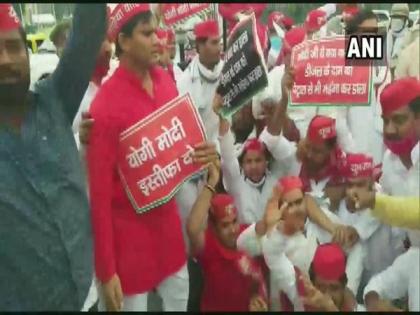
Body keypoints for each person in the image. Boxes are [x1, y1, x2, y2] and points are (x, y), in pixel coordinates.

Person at [87, 4, 217, 311]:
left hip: (169, 234)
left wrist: (203, 153)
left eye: (156, 31)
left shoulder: (165, 83)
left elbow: (181, 150)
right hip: (128, 245)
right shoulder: (104, 107)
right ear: (123, 41)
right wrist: (106, 271)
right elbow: (100, 198)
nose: (158, 39)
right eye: (147, 33)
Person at [0, 3, 107, 311]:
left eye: (12, 47)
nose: (5, 59)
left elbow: (89, 30)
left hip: (86, 296)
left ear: (27, 53)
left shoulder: (55, 101)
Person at [186, 159, 268, 312]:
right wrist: (212, 183)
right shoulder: (209, 245)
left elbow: (258, 281)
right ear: (214, 228)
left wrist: (258, 299)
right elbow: (192, 228)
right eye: (225, 225)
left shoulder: (247, 233)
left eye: (234, 221)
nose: (232, 229)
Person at [337, 153, 405, 299]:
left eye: (360, 184)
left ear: (371, 182)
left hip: (392, 288)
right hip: (359, 289)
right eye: (350, 184)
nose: (354, 191)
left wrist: (356, 230)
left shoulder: (385, 200)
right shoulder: (343, 209)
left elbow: (376, 210)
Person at [387, 4, 411, 80]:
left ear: (405, 20)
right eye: (394, 17)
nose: (396, 20)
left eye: (399, 17)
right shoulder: (388, 35)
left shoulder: (410, 37)